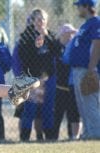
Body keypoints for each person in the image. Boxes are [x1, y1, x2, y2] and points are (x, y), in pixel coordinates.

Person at [18, 8, 58, 141]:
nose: (41, 22)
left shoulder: (51, 36)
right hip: (32, 78)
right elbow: (23, 57)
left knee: (48, 108)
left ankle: (50, 137)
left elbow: (58, 53)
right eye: (38, 19)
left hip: (49, 78)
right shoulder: (26, 36)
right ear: (33, 21)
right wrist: (34, 45)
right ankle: (25, 138)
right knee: (30, 108)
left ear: (47, 22)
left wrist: (47, 37)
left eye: (43, 19)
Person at [64, 0, 100, 139]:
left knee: (90, 103)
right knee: (83, 105)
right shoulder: (86, 24)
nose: (78, 8)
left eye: (79, 6)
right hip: (79, 70)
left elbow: (97, 45)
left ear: (87, 6)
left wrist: (91, 69)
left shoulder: (96, 22)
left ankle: (96, 134)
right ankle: (88, 133)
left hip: (88, 69)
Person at [54, 24, 80, 140]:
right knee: (57, 114)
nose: (71, 36)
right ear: (62, 34)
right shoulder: (55, 47)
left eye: (72, 33)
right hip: (59, 87)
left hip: (71, 86)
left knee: (72, 113)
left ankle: (72, 136)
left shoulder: (74, 47)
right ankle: (52, 137)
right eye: (69, 33)